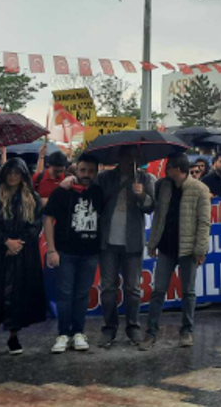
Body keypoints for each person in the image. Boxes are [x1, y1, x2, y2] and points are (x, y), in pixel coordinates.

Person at [140, 153, 212, 350]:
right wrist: (152, 243)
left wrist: (200, 249)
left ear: (179, 170)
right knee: (158, 291)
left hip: (188, 250)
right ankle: (151, 333)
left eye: (169, 168)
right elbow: (157, 216)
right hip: (166, 247)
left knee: (188, 292)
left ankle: (186, 331)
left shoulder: (200, 189)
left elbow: (204, 223)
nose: (165, 172)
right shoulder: (163, 186)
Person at [0, 158, 45, 358]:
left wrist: (18, 243)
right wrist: (5, 241)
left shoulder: (32, 198)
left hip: (21, 256)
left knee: (17, 296)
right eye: (10, 172)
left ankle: (14, 336)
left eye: (17, 173)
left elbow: (35, 225)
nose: (13, 176)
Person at [90, 147, 155, 347]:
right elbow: (95, 201)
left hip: (132, 242)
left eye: (133, 156)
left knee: (133, 289)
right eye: (126, 156)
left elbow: (151, 206)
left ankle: (133, 327)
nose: (129, 160)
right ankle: (109, 328)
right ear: (119, 158)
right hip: (107, 241)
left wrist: (141, 195)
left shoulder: (146, 179)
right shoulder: (104, 178)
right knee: (108, 288)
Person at [44, 152, 104, 353]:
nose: (86, 174)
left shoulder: (99, 192)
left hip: (90, 253)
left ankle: (78, 332)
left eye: (91, 171)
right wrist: (51, 249)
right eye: (82, 170)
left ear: (97, 172)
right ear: (75, 169)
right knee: (65, 294)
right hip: (65, 252)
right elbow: (48, 219)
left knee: (82, 295)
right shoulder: (62, 192)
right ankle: (63, 333)